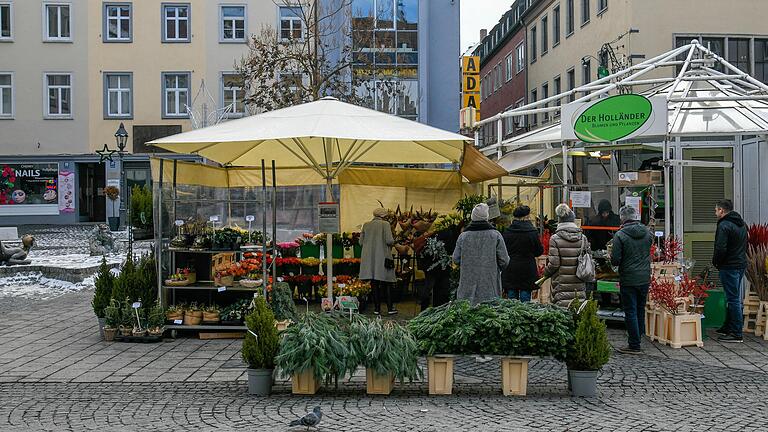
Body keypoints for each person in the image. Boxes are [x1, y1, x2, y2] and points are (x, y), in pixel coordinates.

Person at [610, 205, 653, 354]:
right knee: (640, 309)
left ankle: (634, 344)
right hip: (644, 276)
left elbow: (615, 260)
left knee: (630, 311)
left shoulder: (620, 235)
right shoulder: (647, 233)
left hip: (628, 277)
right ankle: (638, 337)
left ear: (623, 217)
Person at [452, 203, 509, 306]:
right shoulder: (495, 235)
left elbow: (456, 259)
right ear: (486, 217)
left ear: (472, 217)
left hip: (467, 289)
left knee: (467, 316)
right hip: (490, 288)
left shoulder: (463, 236)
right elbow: (504, 261)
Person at [712, 199, 748, 343]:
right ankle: (728, 326)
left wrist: (716, 262)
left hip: (729, 266)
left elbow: (721, 248)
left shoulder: (724, 225)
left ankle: (736, 333)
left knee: (733, 299)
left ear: (722, 210)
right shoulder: (741, 224)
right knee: (731, 296)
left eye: (716, 210)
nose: (715, 213)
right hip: (739, 264)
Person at [543, 204, 590, 308]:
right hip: (579, 281)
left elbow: (554, 264)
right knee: (577, 312)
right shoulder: (583, 238)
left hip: (561, 283)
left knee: (562, 314)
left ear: (559, 221)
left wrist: (545, 272)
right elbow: (588, 259)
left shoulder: (555, 238)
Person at [359, 208, 397, 315]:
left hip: (370, 259)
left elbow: (360, 242)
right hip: (383, 258)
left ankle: (377, 309)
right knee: (388, 282)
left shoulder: (366, 225)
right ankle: (390, 308)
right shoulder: (385, 224)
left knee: (374, 283)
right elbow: (389, 240)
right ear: (384, 216)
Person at [502, 205, 544, 302]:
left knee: (512, 295)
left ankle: (512, 316)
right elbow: (539, 251)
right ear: (526, 217)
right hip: (527, 268)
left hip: (511, 267)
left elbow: (503, 250)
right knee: (525, 295)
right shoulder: (532, 232)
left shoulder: (508, 232)